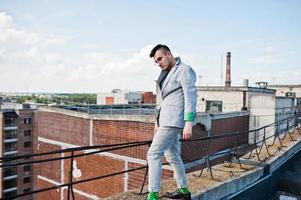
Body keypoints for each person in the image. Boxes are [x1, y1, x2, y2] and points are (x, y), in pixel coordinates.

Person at [147, 44, 197, 200]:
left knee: (153, 154)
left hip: (174, 120)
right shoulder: (166, 74)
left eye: (160, 59)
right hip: (166, 119)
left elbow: (191, 96)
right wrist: (157, 121)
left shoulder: (184, 69)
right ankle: (184, 190)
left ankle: (153, 195)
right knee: (172, 155)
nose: (158, 63)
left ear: (168, 54)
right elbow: (162, 101)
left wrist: (188, 122)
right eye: (156, 61)